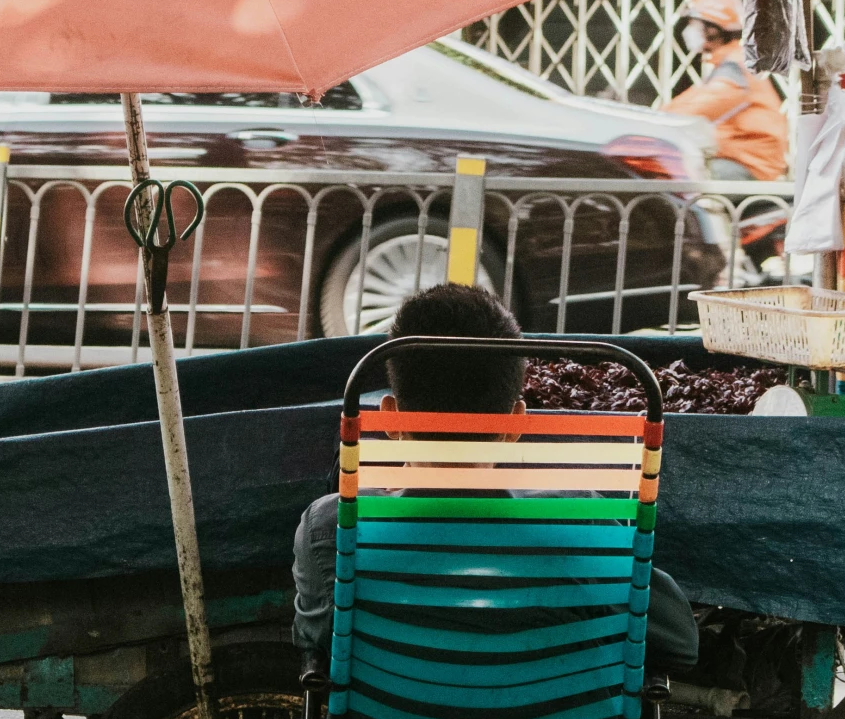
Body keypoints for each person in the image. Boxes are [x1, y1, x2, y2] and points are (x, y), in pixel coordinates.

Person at [292, 281, 699, 676]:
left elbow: (318, 640)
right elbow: (680, 645)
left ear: (393, 418)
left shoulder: (331, 530)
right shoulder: (581, 522)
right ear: (515, 423)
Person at [664, 0, 789, 182]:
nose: (688, 30)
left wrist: (660, 120)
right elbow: (687, 102)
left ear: (713, 28)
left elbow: (701, 107)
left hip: (747, 164)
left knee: (676, 180)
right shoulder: (727, 63)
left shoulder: (735, 66)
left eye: (693, 24)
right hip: (736, 158)